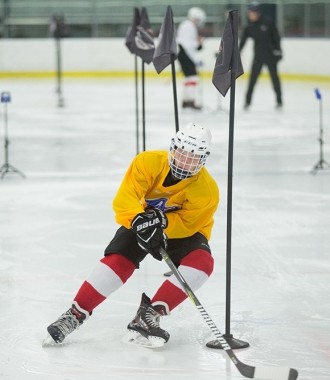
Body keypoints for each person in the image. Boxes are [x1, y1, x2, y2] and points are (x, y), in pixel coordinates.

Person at [45, 123, 220, 347]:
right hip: (141, 220)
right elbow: (125, 198)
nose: (185, 162)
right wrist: (139, 220)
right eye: (181, 154)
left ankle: (149, 316)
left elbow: (188, 224)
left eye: (193, 158)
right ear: (172, 149)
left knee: (202, 263)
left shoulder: (207, 190)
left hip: (183, 232)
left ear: (203, 160)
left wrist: (163, 225)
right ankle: (75, 314)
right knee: (118, 259)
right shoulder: (148, 162)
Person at [239, 1, 283, 109]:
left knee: (274, 79)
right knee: (252, 79)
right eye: (249, 13)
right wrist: (237, 53)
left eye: (252, 13)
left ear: (258, 12)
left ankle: (279, 101)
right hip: (258, 57)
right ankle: (247, 102)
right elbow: (243, 41)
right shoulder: (249, 26)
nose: (250, 15)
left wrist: (278, 51)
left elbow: (276, 38)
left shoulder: (268, 22)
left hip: (271, 56)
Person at [177, 7, 206, 110]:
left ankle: (186, 101)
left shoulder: (186, 25)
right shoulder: (189, 26)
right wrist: (196, 58)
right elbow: (188, 45)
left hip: (183, 54)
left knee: (188, 78)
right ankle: (190, 101)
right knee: (193, 78)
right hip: (186, 55)